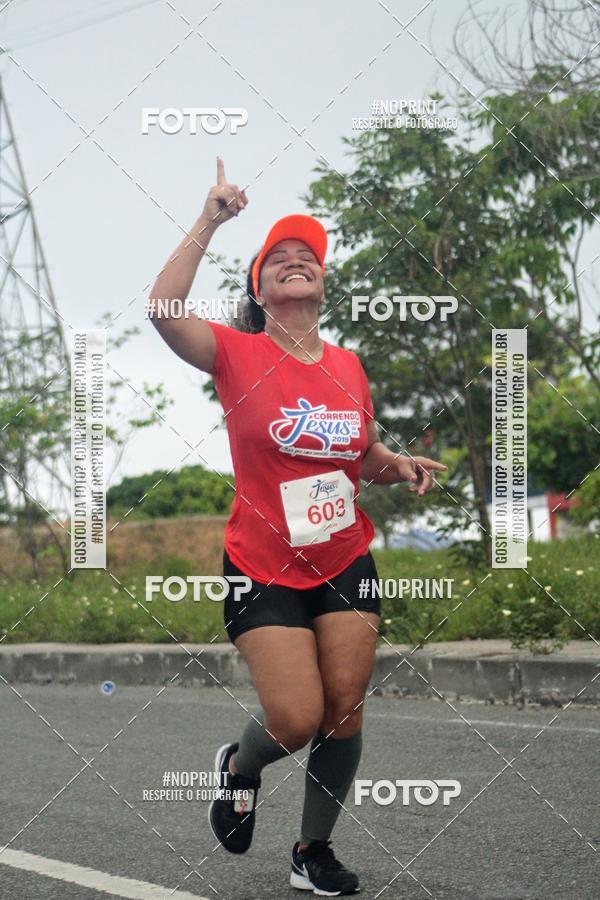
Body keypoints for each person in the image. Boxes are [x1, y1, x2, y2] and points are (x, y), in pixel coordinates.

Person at [149, 158, 446, 896]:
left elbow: (358, 453)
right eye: (278, 258)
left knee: (343, 708)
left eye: (306, 256)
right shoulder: (236, 352)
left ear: (321, 284)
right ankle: (240, 767)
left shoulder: (348, 366)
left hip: (343, 557)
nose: (295, 261)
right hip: (262, 562)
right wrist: (212, 219)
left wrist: (395, 463)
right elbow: (161, 309)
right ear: (259, 287)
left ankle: (312, 851)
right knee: (295, 717)